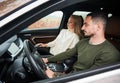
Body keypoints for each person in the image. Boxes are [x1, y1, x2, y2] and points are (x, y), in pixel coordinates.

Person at [43, 12, 120, 78]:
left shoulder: (110, 54)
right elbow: (67, 54)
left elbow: (88, 77)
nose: (82, 28)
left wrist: (55, 76)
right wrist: (47, 60)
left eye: (86, 25)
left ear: (98, 27)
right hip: (70, 74)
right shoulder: (83, 42)